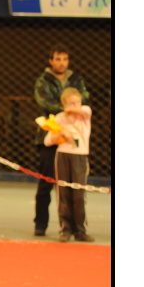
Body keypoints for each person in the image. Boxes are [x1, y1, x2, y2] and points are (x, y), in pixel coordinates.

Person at [33, 45, 89, 236]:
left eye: (65, 59)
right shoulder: (43, 81)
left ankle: (76, 228)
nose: (62, 63)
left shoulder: (76, 80)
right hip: (51, 134)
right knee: (46, 182)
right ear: (51, 61)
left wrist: (72, 108)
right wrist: (68, 109)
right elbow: (45, 102)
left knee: (75, 188)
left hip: (73, 142)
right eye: (58, 59)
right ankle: (40, 224)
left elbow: (85, 99)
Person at [44, 87, 94, 243]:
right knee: (63, 193)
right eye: (70, 103)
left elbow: (84, 110)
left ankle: (80, 230)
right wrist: (60, 133)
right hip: (63, 156)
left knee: (79, 195)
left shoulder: (84, 114)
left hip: (79, 156)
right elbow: (47, 141)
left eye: (77, 102)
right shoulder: (59, 118)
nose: (75, 105)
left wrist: (73, 109)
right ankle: (65, 229)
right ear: (63, 103)